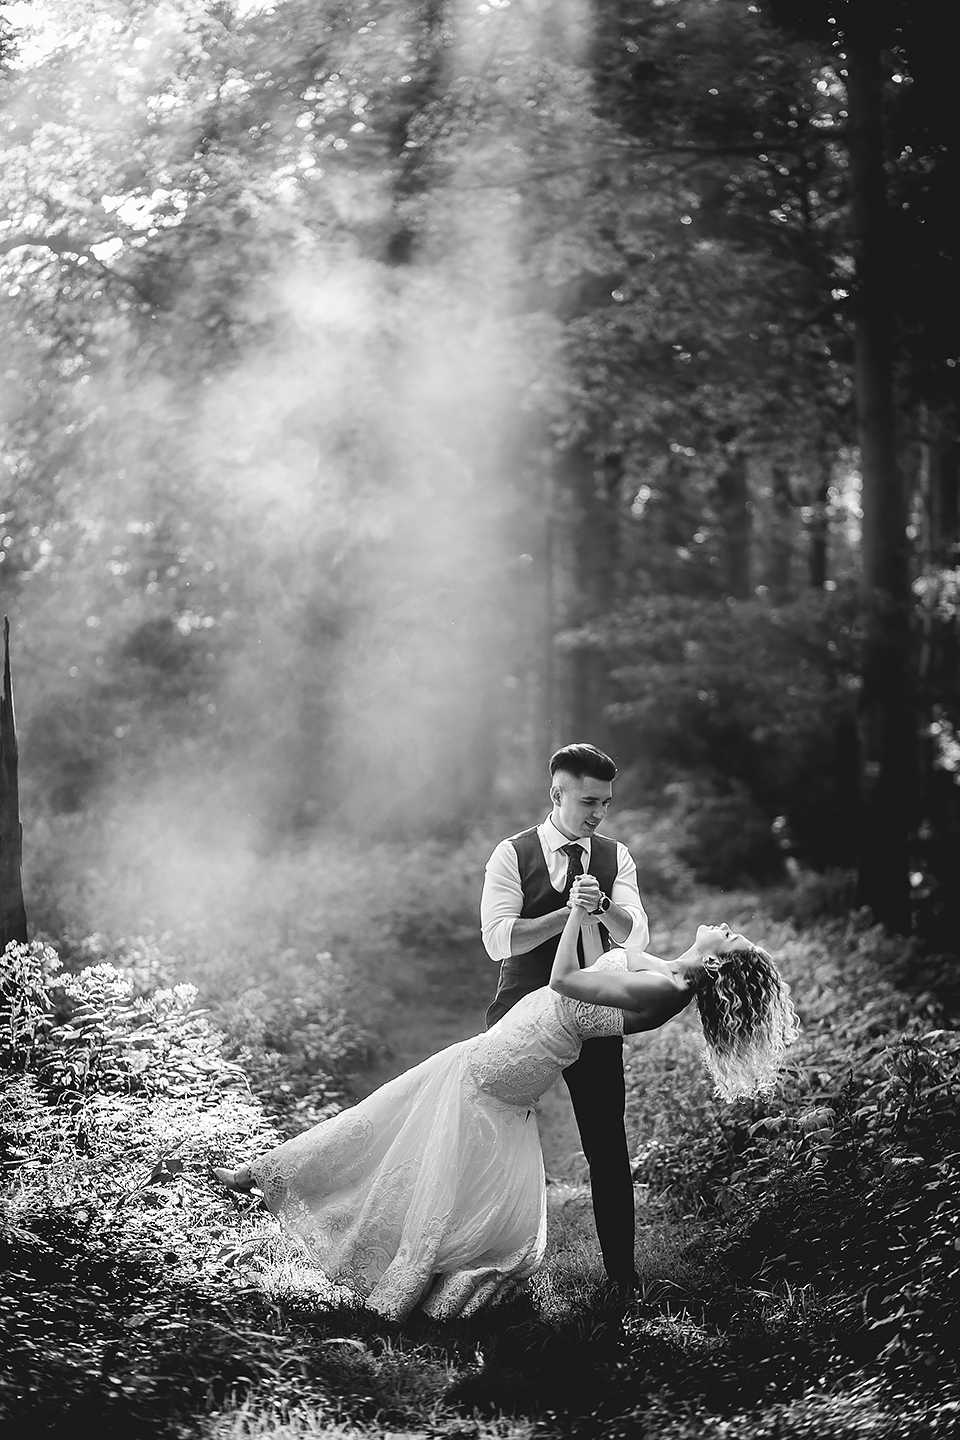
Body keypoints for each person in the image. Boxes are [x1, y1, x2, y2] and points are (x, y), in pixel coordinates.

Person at [212, 898, 800, 1322]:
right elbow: (623, 955)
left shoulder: (666, 991)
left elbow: (565, 979)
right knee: (407, 1127)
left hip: (510, 1060)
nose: (727, 928)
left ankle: (280, 1182)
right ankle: (295, 1187)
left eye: (732, 939)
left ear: (719, 966)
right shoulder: (669, 974)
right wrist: (597, 911)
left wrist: (575, 916)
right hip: (515, 1050)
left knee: (391, 1119)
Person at [480, 743, 647, 1298]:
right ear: (557, 794)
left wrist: (603, 908)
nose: (598, 814)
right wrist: (566, 913)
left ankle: (623, 1281)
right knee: (492, 1137)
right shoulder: (511, 854)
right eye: (588, 801)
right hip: (521, 1014)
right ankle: (480, 1269)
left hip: (593, 1015)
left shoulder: (616, 857)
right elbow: (499, 940)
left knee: (607, 1144)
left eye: (605, 803)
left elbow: (636, 935)